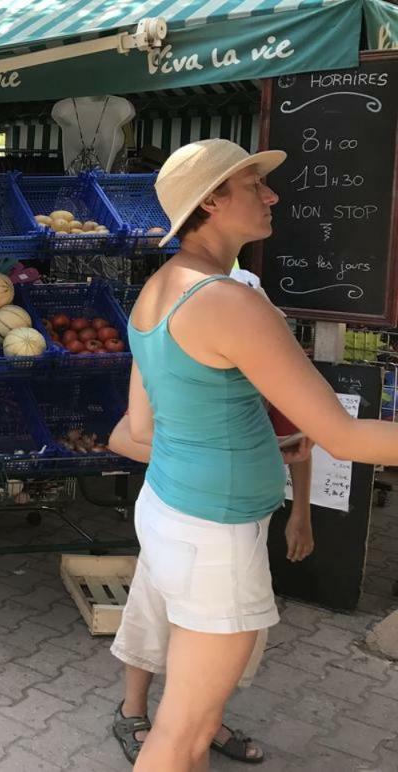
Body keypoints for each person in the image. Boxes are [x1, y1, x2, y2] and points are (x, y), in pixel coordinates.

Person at [105, 138, 398, 772]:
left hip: (171, 511)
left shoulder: (161, 288)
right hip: (213, 536)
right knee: (181, 735)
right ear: (210, 200)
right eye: (252, 185)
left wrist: (259, 443)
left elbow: (150, 425)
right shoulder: (229, 301)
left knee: (194, 723)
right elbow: (345, 438)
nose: (273, 195)